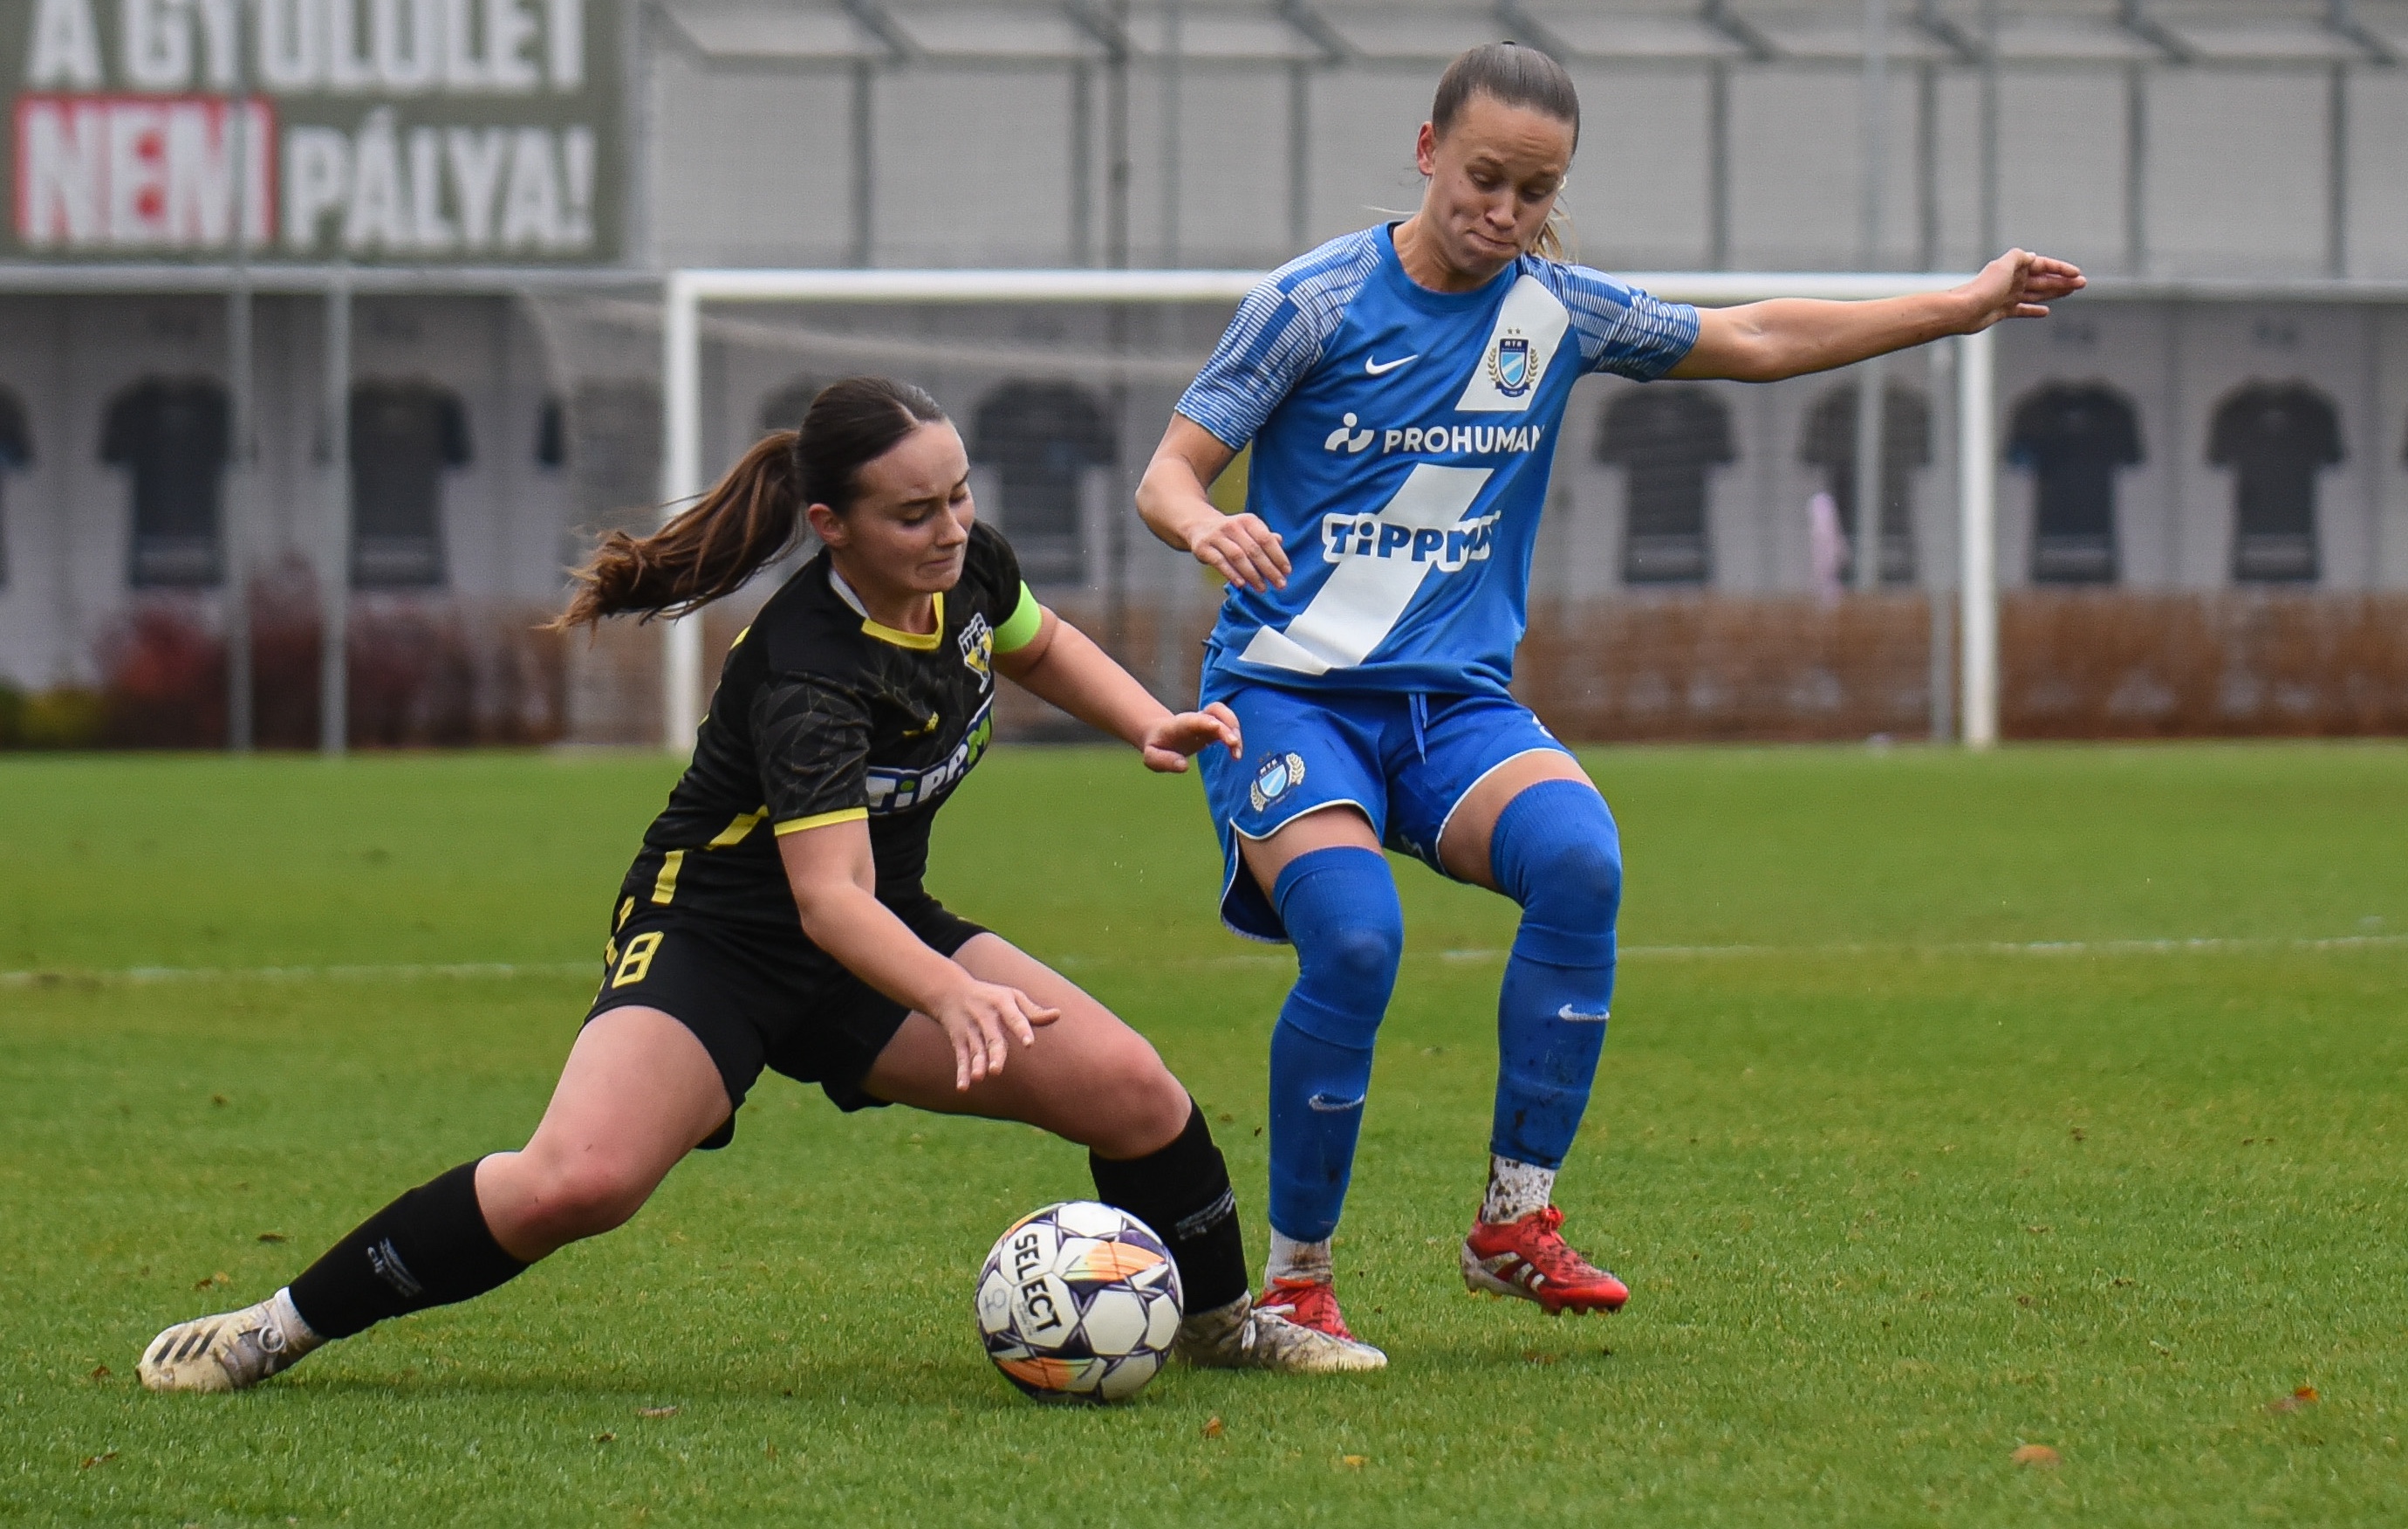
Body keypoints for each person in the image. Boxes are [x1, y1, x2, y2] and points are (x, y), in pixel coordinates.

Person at [139, 378, 1385, 1393]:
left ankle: (1226, 1324)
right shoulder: (806, 672)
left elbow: (1036, 642)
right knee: (580, 1181)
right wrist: (951, 998)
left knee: (1131, 1090)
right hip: (717, 939)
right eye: (914, 514)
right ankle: (276, 1327)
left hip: (876, 930)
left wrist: (1145, 719)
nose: (950, 529)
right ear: (832, 527)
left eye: (958, 497)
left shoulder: (966, 571)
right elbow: (825, 903)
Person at [1132, 42, 2084, 1356]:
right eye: (1482, 178)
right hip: (1289, 698)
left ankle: (1512, 1221)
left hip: (1450, 705)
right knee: (1353, 943)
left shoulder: (1555, 314)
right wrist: (1203, 530)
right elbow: (1168, 473)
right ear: (1424, 151)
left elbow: (1754, 337)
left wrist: (1958, 306)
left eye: (1534, 190)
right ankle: (1295, 1281)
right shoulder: (1312, 303)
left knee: (1580, 860)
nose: (1504, 213)